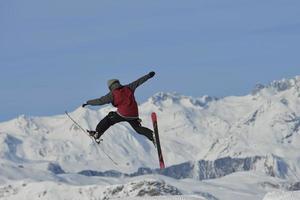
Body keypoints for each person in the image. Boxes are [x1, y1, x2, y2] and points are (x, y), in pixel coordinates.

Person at [82, 71, 156, 145]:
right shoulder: (129, 87)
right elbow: (139, 81)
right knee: (138, 129)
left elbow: (100, 101)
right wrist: (149, 75)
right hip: (134, 114)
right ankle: (152, 135)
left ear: (110, 87)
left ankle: (97, 133)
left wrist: (88, 102)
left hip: (123, 113)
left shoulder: (112, 94)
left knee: (109, 119)